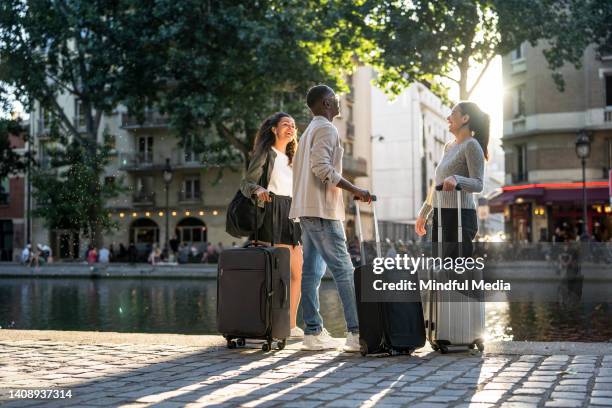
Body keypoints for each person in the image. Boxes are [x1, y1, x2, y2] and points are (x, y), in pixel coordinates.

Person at [289, 85, 372, 351]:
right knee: (344, 270)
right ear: (326, 103)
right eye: (335, 99)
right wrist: (356, 189)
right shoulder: (326, 128)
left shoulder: (309, 131)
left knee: (312, 272)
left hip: (306, 209)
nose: (338, 103)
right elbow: (321, 167)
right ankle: (357, 333)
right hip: (322, 211)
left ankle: (312, 333)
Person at [240, 112, 304, 337]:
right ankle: (269, 323)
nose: (290, 128)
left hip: (293, 214)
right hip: (272, 212)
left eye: (293, 126)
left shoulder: (294, 158)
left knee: (297, 273)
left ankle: (291, 325)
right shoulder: (266, 153)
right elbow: (246, 183)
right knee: (278, 274)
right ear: (274, 129)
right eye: (285, 124)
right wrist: (258, 189)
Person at [415, 101, 488, 257]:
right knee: (440, 271)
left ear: (465, 118)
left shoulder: (472, 145)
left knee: (457, 273)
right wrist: (424, 212)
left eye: (453, 114)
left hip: (461, 217)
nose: (448, 118)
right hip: (440, 214)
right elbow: (438, 182)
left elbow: (478, 184)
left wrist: (458, 179)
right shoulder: (449, 146)